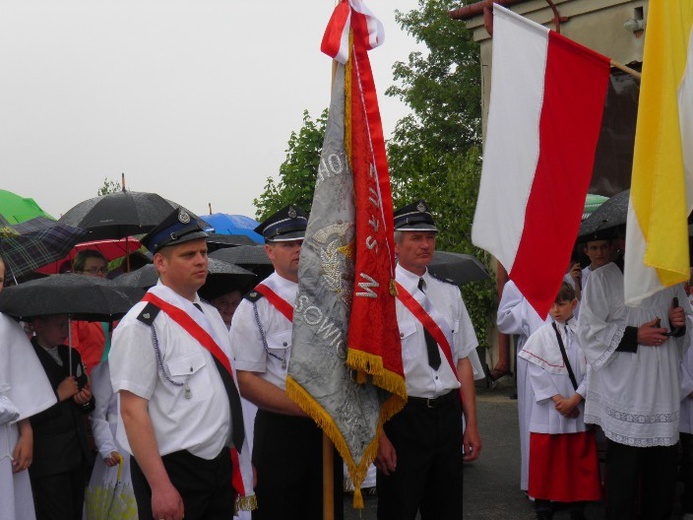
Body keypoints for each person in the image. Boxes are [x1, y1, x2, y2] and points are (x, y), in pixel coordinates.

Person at [109, 208, 254, 520]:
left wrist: (240, 460)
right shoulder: (141, 324)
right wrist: (160, 486)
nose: (201, 260)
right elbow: (132, 411)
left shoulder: (211, 315)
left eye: (203, 252)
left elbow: (225, 393)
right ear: (160, 263)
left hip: (218, 462)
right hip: (174, 467)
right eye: (188, 254)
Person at [230, 204, 342, 520]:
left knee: (326, 509)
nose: (297, 250)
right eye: (288, 245)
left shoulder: (333, 296)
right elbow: (247, 379)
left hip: (328, 429)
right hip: (281, 430)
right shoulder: (254, 307)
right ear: (270, 252)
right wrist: (308, 409)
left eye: (303, 242)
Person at [374, 200, 482, 520]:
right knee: (398, 509)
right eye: (416, 237)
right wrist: (378, 436)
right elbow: (368, 374)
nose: (425, 245)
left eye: (430, 237)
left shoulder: (449, 293)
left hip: (447, 416)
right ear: (395, 243)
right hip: (402, 417)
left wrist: (471, 425)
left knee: (446, 510)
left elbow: (462, 360)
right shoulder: (380, 296)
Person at [576, 252, 689, 520]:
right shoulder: (604, 279)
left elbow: (687, 323)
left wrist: (680, 324)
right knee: (622, 485)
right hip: (625, 395)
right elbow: (588, 331)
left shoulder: (669, 276)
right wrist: (634, 335)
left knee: (661, 482)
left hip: (662, 393)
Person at [518, 282, 601, 520]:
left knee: (577, 460)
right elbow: (536, 371)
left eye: (561, 304)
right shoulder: (541, 336)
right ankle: (543, 505)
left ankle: (577, 506)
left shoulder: (584, 333)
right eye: (552, 305)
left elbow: (593, 369)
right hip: (550, 410)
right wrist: (559, 401)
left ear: (574, 304)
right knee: (547, 460)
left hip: (576, 404)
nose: (555, 310)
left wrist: (575, 398)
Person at [0, 256, 57, 520]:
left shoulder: (6, 327)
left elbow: (23, 385)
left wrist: (27, 432)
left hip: (4, 436)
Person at [29, 313, 94, 520]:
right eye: (58, 325)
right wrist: (59, 396)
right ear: (38, 325)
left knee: (76, 512)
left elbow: (87, 403)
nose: (65, 331)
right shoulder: (28, 358)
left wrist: (85, 400)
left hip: (77, 452)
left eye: (67, 325)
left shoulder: (71, 354)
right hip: (49, 458)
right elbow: (26, 412)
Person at [496, 278, 548, 493]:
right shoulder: (516, 285)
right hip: (533, 354)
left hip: (565, 356)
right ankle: (535, 483)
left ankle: (562, 485)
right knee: (534, 418)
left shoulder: (566, 280)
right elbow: (504, 321)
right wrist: (526, 307)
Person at [71, 249, 111, 374]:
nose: (100, 274)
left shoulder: (113, 302)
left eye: (103, 269)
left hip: (115, 376)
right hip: (88, 379)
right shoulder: (73, 306)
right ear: (78, 274)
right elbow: (72, 349)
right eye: (93, 270)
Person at [680, 270, 693, 520]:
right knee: (689, 456)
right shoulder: (684, 313)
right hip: (687, 396)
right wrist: (687, 385)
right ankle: (689, 504)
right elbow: (677, 353)